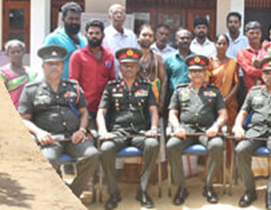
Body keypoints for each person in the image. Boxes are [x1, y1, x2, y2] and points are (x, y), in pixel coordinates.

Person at [17, 45, 101, 201]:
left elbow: (84, 113)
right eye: (50, 64)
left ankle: (72, 194)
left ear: (63, 66)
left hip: (73, 137)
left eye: (57, 63)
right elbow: (23, 118)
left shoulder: (73, 87)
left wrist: (82, 130)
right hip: (50, 139)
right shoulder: (31, 90)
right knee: (47, 161)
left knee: (92, 155)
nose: (54, 67)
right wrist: (39, 133)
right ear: (43, 66)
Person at [97, 47, 161, 210]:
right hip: (118, 132)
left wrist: (153, 127)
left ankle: (143, 189)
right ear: (120, 67)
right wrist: (104, 132)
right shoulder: (111, 87)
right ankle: (113, 192)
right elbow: (100, 112)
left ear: (138, 67)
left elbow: (154, 110)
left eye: (132, 65)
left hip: (140, 132)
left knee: (153, 144)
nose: (129, 68)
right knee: (105, 148)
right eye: (125, 65)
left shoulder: (146, 87)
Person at [233, 57, 271, 210]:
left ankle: (270, 193)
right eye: (266, 73)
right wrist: (238, 127)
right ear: (262, 75)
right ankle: (250, 191)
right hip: (255, 132)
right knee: (241, 149)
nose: (270, 76)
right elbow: (243, 111)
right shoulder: (254, 92)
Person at [166, 54, 227, 205]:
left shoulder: (214, 91)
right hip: (185, 130)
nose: (197, 74)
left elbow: (223, 114)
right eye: (193, 71)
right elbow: (172, 113)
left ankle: (208, 185)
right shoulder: (179, 91)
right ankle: (181, 187)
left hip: (207, 130)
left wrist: (216, 126)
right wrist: (177, 127)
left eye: (200, 71)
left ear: (205, 73)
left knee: (217, 146)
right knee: (171, 146)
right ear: (189, 74)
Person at [69, 19, 116, 120]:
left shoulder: (109, 55)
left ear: (103, 35)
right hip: (84, 107)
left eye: (97, 33)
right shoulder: (77, 56)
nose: (94, 36)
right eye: (91, 33)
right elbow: (73, 83)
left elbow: (111, 80)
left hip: (104, 107)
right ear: (86, 35)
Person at [42, 1, 87, 79]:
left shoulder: (83, 40)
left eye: (77, 19)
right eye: (70, 19)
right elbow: (46, 64)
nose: (74, 22)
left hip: (80, 87)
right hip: (60, 87)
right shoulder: (53, 39)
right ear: (63, 19)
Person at [210, 33, 240, 133]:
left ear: (228, 45)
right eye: (219, 43)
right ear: (215, 44)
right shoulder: (209, 62)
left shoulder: (233, 62)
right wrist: (215, 99)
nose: (221, 46)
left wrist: (227, 99)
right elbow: (206, 82)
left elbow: (236, 83)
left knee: (229, 130)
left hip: (230, 102)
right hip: (211, 101)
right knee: (213, 128)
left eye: (224, 44)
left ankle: (229, 149)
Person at [136, 24, 167, 117]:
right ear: (138, 37)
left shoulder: (158, 59)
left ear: (153, 39)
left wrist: (161, 104)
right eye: (144, 35)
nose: (147, 38)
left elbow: (164, 81)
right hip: (135, 102)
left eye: (150, 36)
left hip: (153, 102)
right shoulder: (132, 58)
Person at [0, 39, 32, 109]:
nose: (16, 54)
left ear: (23, 52)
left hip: (29, 112)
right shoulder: (3, 73)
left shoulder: (31, 72)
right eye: (13, 52)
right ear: (7, 54)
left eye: (18, 51)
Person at [237, 21, 266, 90]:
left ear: (261, 34)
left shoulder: (267, 51)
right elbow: (250, 71)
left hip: (268, 92)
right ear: (245, 34)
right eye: (251, 33)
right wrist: (267, 72)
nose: (255, 35)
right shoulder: (242, 53)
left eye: (257, 33)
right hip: (250, 92)